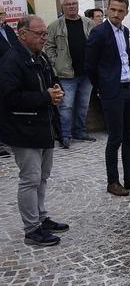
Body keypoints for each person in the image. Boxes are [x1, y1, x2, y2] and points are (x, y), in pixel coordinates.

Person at [0, 15, 68, 246]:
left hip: (42, 125)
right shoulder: (11, 61)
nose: (43, 37)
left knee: (42, 177)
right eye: (39, 34)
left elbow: (52, 81)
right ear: (23, 34)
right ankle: (32, 230)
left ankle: (41, 218)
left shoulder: (40, 56)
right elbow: (8, 98)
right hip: (23, 129)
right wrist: (45, 96)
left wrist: (57, 93)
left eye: (45, 33)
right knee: (30, 179)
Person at [85, 0, 130, 196]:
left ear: (126, 12)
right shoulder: (98, 33)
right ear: (107, 9)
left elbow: (126, 59)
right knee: (115, 137)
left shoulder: (124, 31)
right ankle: (112, 181)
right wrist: (102, 87)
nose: (116, 14)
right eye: (113, 9)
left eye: (120, 11)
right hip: (111, 92)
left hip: (128, 89)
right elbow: (89, 65)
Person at [44, 0, 96, 149]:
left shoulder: (89, 23)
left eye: (74, 3)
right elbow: (49, 47)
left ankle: (80, 131)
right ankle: (65, 135)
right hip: (66, 73)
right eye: (68, 4)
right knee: (66, 106)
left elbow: (96, 43)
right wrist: (56, 63)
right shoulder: (55, 26)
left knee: (83, 105)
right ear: (63, 6)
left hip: (86, 72)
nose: (72, 6)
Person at [0, 5, 19, 158]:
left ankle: (8, 139)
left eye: (3, 13)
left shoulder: (8, 30)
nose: (2, 16)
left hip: (9, 75)